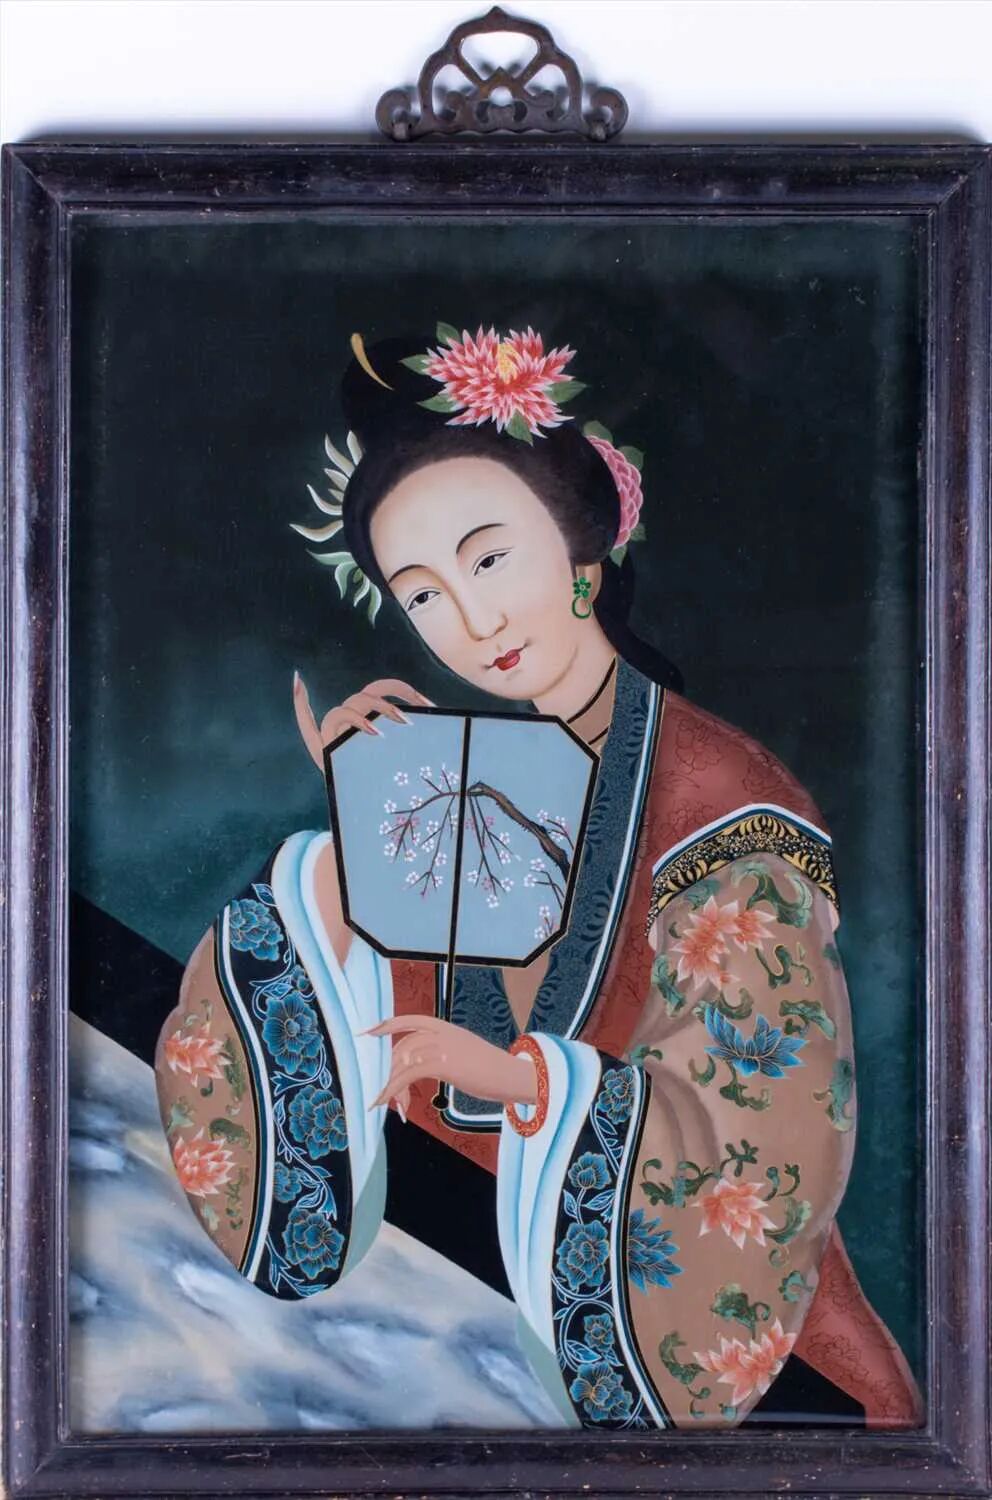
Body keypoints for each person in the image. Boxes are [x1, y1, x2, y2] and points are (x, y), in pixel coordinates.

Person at [154, 325, 922, 1429]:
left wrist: (527, 1085)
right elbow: (368, 1035)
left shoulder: (723, 799)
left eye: (487, 559)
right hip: (449, 1318)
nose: (470, 622)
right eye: (421, 595)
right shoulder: (450, 775)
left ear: (582, 550)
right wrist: (359, 834)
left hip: (721, 1374)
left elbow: (765, 1122)